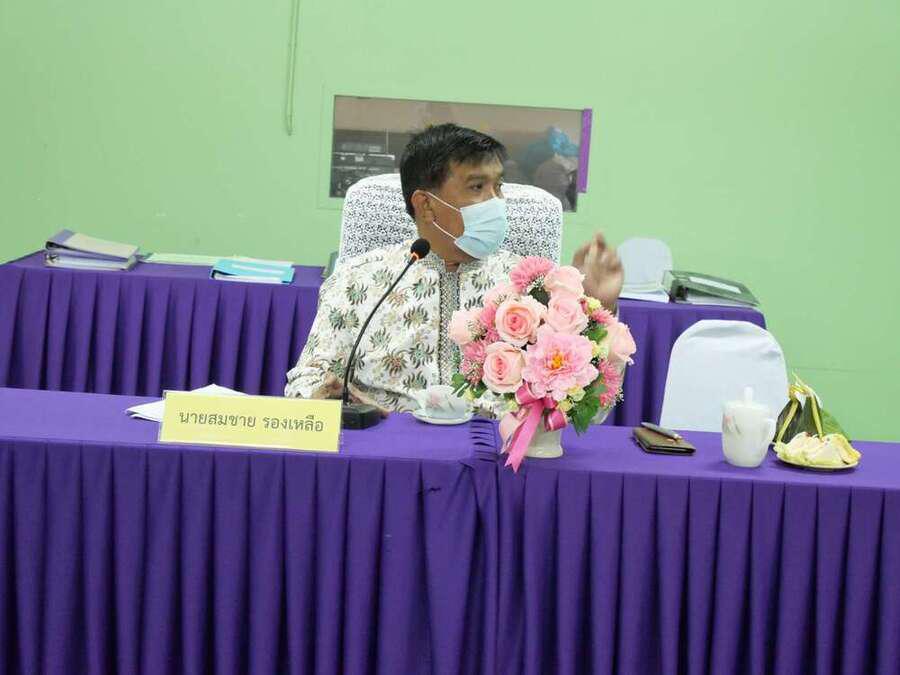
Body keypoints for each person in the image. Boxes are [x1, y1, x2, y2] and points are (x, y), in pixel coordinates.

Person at [285, 123, 623, 412]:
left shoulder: (534, 287)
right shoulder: (358, 280)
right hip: (387, 450)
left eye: (498, 186)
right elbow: (307, 381)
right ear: (426, 205)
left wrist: (599, 308)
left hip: (496, 456)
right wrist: (337, 401)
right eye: (477, 187)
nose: (496, 201)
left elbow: (588, 410)